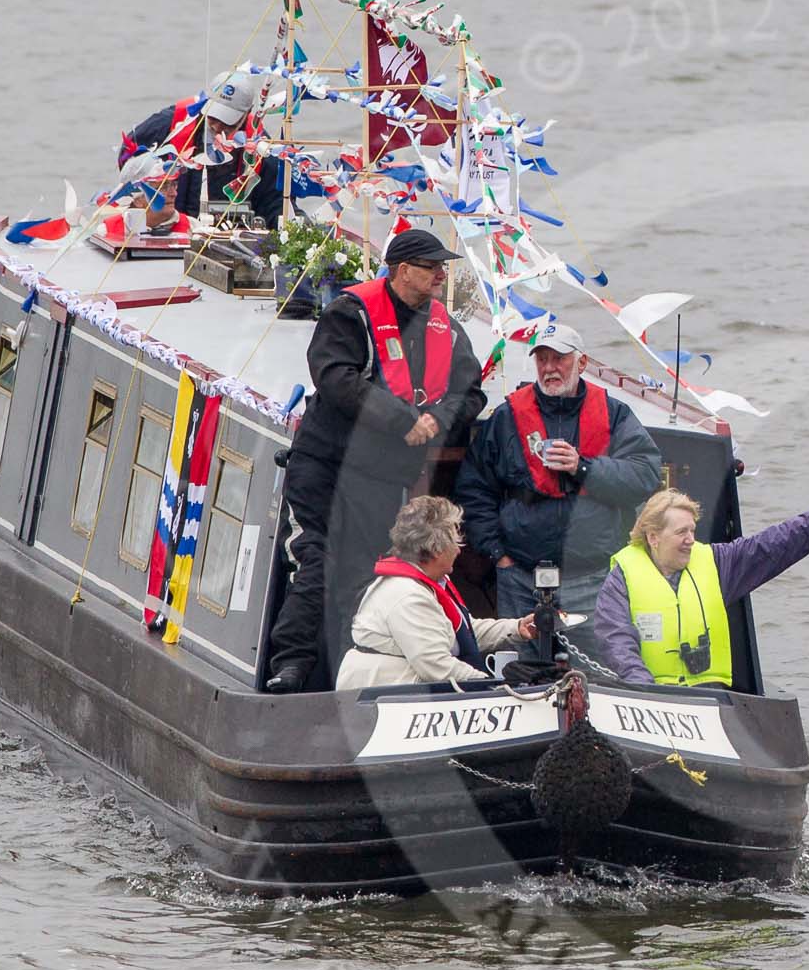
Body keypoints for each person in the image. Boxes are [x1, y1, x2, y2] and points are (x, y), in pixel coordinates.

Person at [263, 229, 488, 693]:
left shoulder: (446, 327)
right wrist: (401, 419)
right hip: (325, 464)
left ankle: (344, 673)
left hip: (383, 476)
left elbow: (470, 392)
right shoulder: (350, 314)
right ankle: (291, 667)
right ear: (403, 271)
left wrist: (435, 421)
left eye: (443, 267)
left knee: (367, 573)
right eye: (432, 267)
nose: (442, 276)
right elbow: (335, 377)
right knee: (316, 561)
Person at [455, 320, 662, 657]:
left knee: (596, 674)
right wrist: (497, 554)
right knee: (520, 674)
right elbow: (473, 489)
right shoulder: (507, 417)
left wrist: (584, 467)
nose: (550, 368)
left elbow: (645, 474)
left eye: (559, 359)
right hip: (520, 577)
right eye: (542, 359)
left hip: (591, 579)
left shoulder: (615, 415)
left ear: (581, 363)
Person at [596, 485, 809, 687]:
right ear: (654, 537)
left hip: (710, 697)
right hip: (651, 695)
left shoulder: (716, 563)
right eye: (682, 532)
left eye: (692, 530)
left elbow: (778, 543)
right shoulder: (622, 577)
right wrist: (645, 688)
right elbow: (616, 640)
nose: (691, 539)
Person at [336, 497, 535, 688]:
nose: (458, 550)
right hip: (383, 699)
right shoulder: (408, 595)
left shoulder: (427, 583)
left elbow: (462, 632)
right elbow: (436, 665)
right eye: (455, 542)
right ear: (436, 549)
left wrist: (517, 627)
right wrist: (493, 686)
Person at [118, 68, 286, 228]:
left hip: (228, 229)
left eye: (228, 122)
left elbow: (275, 199)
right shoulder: (172, 122)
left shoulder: (258, 145)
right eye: (213, 117)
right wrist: (145, 196)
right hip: (171, 224)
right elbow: (129, 155)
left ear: (247, 113)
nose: (217, 126)